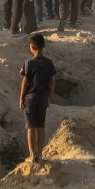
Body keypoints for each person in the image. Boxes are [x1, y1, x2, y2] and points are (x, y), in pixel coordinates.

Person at [19, 33, 55, 164]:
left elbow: (24, 81)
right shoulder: (48, 63)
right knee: (41, 126)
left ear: (31, 47)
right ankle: (40, 154)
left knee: (31, 126)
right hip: (42, 97)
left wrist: (21, 97)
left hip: (30, 98)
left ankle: (31, 155)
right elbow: (52, 82)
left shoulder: (28, 63)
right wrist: (49, 96)